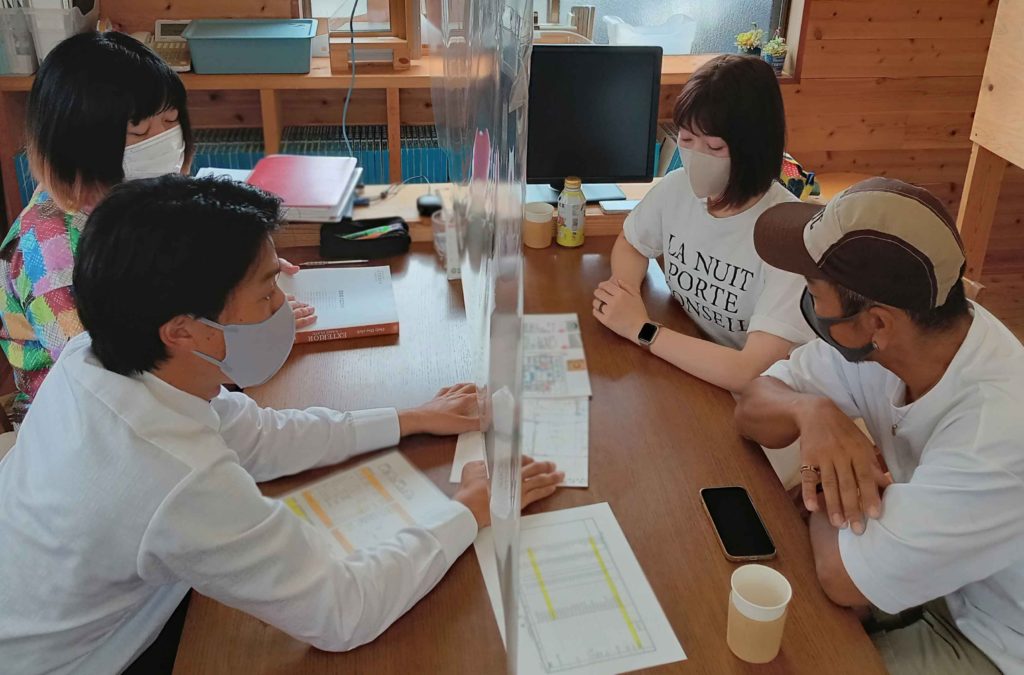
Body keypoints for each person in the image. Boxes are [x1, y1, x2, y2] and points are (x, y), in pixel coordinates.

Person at [0, 175, 565, 675]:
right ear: (184, 331)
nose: (282, 302)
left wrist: (411, 418)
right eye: (268, 289)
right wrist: (467, 509)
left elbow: (259, 438)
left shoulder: (95, 356)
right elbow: (343, 612)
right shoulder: (174, 476)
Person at [735, 177, 1022, 674]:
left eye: (813, 292)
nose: (809, 305)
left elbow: (841, 579)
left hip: (995, 639)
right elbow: (751, 406)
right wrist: (811, 412)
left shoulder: (996, 433)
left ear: (878, 323)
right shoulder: (903, 337)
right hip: (931, 579)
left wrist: (824, 489)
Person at [0, 31, 313, 421]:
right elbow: (106, 377)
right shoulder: (49, 248)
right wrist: (248, 332)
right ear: (78, 141)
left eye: (171, 120)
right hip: (79, 421)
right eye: (139, 132)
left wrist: (246, 272)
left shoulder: (137, 198)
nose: (163, 141)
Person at [592, 54, 813, 394]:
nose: (696, 156)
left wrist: (641, 328)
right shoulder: (676, 188)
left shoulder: (788, 236)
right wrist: (626, 295)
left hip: (766, 397)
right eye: (686, 139)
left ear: (753, 148)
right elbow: (632, 243)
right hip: (694, 367)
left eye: (714, 146)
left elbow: (748, 371)